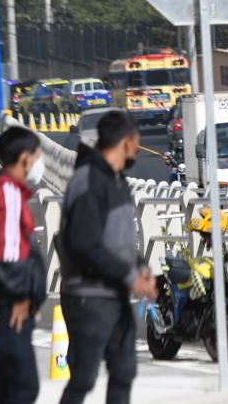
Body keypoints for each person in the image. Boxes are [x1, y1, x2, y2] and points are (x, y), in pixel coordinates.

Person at [58, 111, 157, 404]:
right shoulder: (88, 180)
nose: (139, 148)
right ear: (126, 142)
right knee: (83, 378)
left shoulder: (118, 182)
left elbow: (119, 241)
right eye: (136, 141)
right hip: (89, 297)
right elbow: (85, 243)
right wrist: (129, 277)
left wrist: (140, 269)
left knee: (124, 371)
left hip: (114, 294)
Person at [0, 126, 47, 404]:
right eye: (38, 155)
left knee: (5, 387)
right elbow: (9, 253)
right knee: (24, 386)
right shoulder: (7, 194)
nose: (39, 163)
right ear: (25, 159)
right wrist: (19, 296)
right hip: (9, 306)